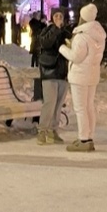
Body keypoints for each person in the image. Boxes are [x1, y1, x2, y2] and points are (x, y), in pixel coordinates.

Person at [59, 2, 105, 152]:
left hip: (80, 76)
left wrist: (62, 48)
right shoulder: (98, 35)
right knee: (89, 106)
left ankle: (83, 138)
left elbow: (76, 57)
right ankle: (89, 136)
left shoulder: (81, 37)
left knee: (80, 108)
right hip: (92, 74)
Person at [35, 8, 70, 144]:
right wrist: (56, 29)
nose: (58, 18)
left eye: (61, 16)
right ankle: (42, 131)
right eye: (56, 16)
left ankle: (53, 130)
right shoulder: (47, 30)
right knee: (49, 103)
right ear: (52, 17)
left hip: (62, 73)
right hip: (49, 72)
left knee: (58, 104)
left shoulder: (65, 32)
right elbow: (46, 43)